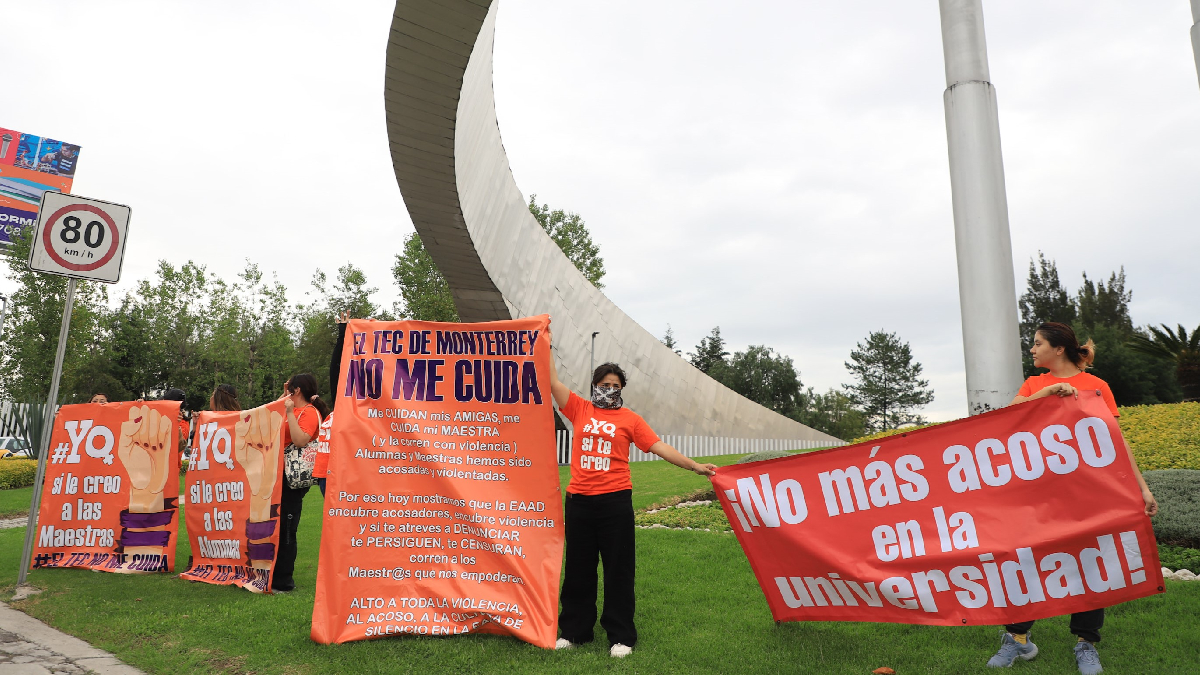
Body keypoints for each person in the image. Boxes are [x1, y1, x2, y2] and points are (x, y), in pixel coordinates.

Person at [986, 322, 1158, 675]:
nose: (1032, 350)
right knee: (1026, 560)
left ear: (1058, 348)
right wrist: (1047, 395)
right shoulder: (1035, 384)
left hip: (1088, 494)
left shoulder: (1097, 387)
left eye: (1037, 344)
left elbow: (1115, 440)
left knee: (1092, 563)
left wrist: (1142, 487)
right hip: (1038, 495)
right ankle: (1018, 641)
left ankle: (1086, 643)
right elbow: (1010, 417)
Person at [547, 330, 717, 658]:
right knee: (579, 569)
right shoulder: (579, 409)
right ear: (594, 385)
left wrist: (694, 466)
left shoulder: (630, 420)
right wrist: (546, 344)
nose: (609, 390)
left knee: (618, 570)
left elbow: (659, 446)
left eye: (615, 386)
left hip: (615, 504)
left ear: (621, 389)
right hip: (579, 503)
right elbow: (553, 383)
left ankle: (620, 635)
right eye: (604, 384)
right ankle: (574, 631)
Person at [274, 373, 329, 592]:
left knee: (287, 526)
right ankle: (273, 573)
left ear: (296, 391)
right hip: (279, 474)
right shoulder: (290, 409)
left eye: (290, 389)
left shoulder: (309, 412)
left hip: (294, 478)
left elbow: (300, 440)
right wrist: (283, 400)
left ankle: (284, 580)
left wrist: (289, 411)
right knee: (276, 524)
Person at [313, 311, 351, 497]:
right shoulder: (339, 405)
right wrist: (342, 334)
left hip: (346, 474)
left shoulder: (356, 412)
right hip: (326, 474)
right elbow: (336, 368)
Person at [162, 388, 191, 454]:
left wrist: (175, 425)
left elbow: (178, 445)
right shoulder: (162, 417)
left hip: (170, 463)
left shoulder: (183, 424)